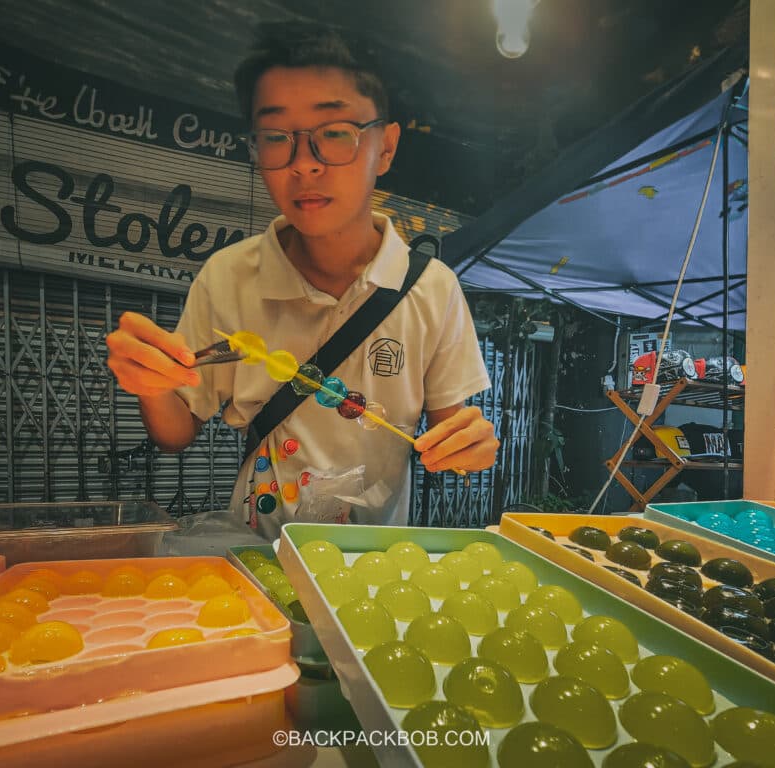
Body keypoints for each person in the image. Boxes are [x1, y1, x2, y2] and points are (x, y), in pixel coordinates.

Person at [106, 24, 498, 540]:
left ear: (386, 147)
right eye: (275, 139)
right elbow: (177, 430)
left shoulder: (432, 288)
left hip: (371, 562)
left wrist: (470, 447)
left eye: (334, 133)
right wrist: (150, 384)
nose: (303, 164)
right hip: (258, 553)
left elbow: (453, 433)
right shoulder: (229, 277)